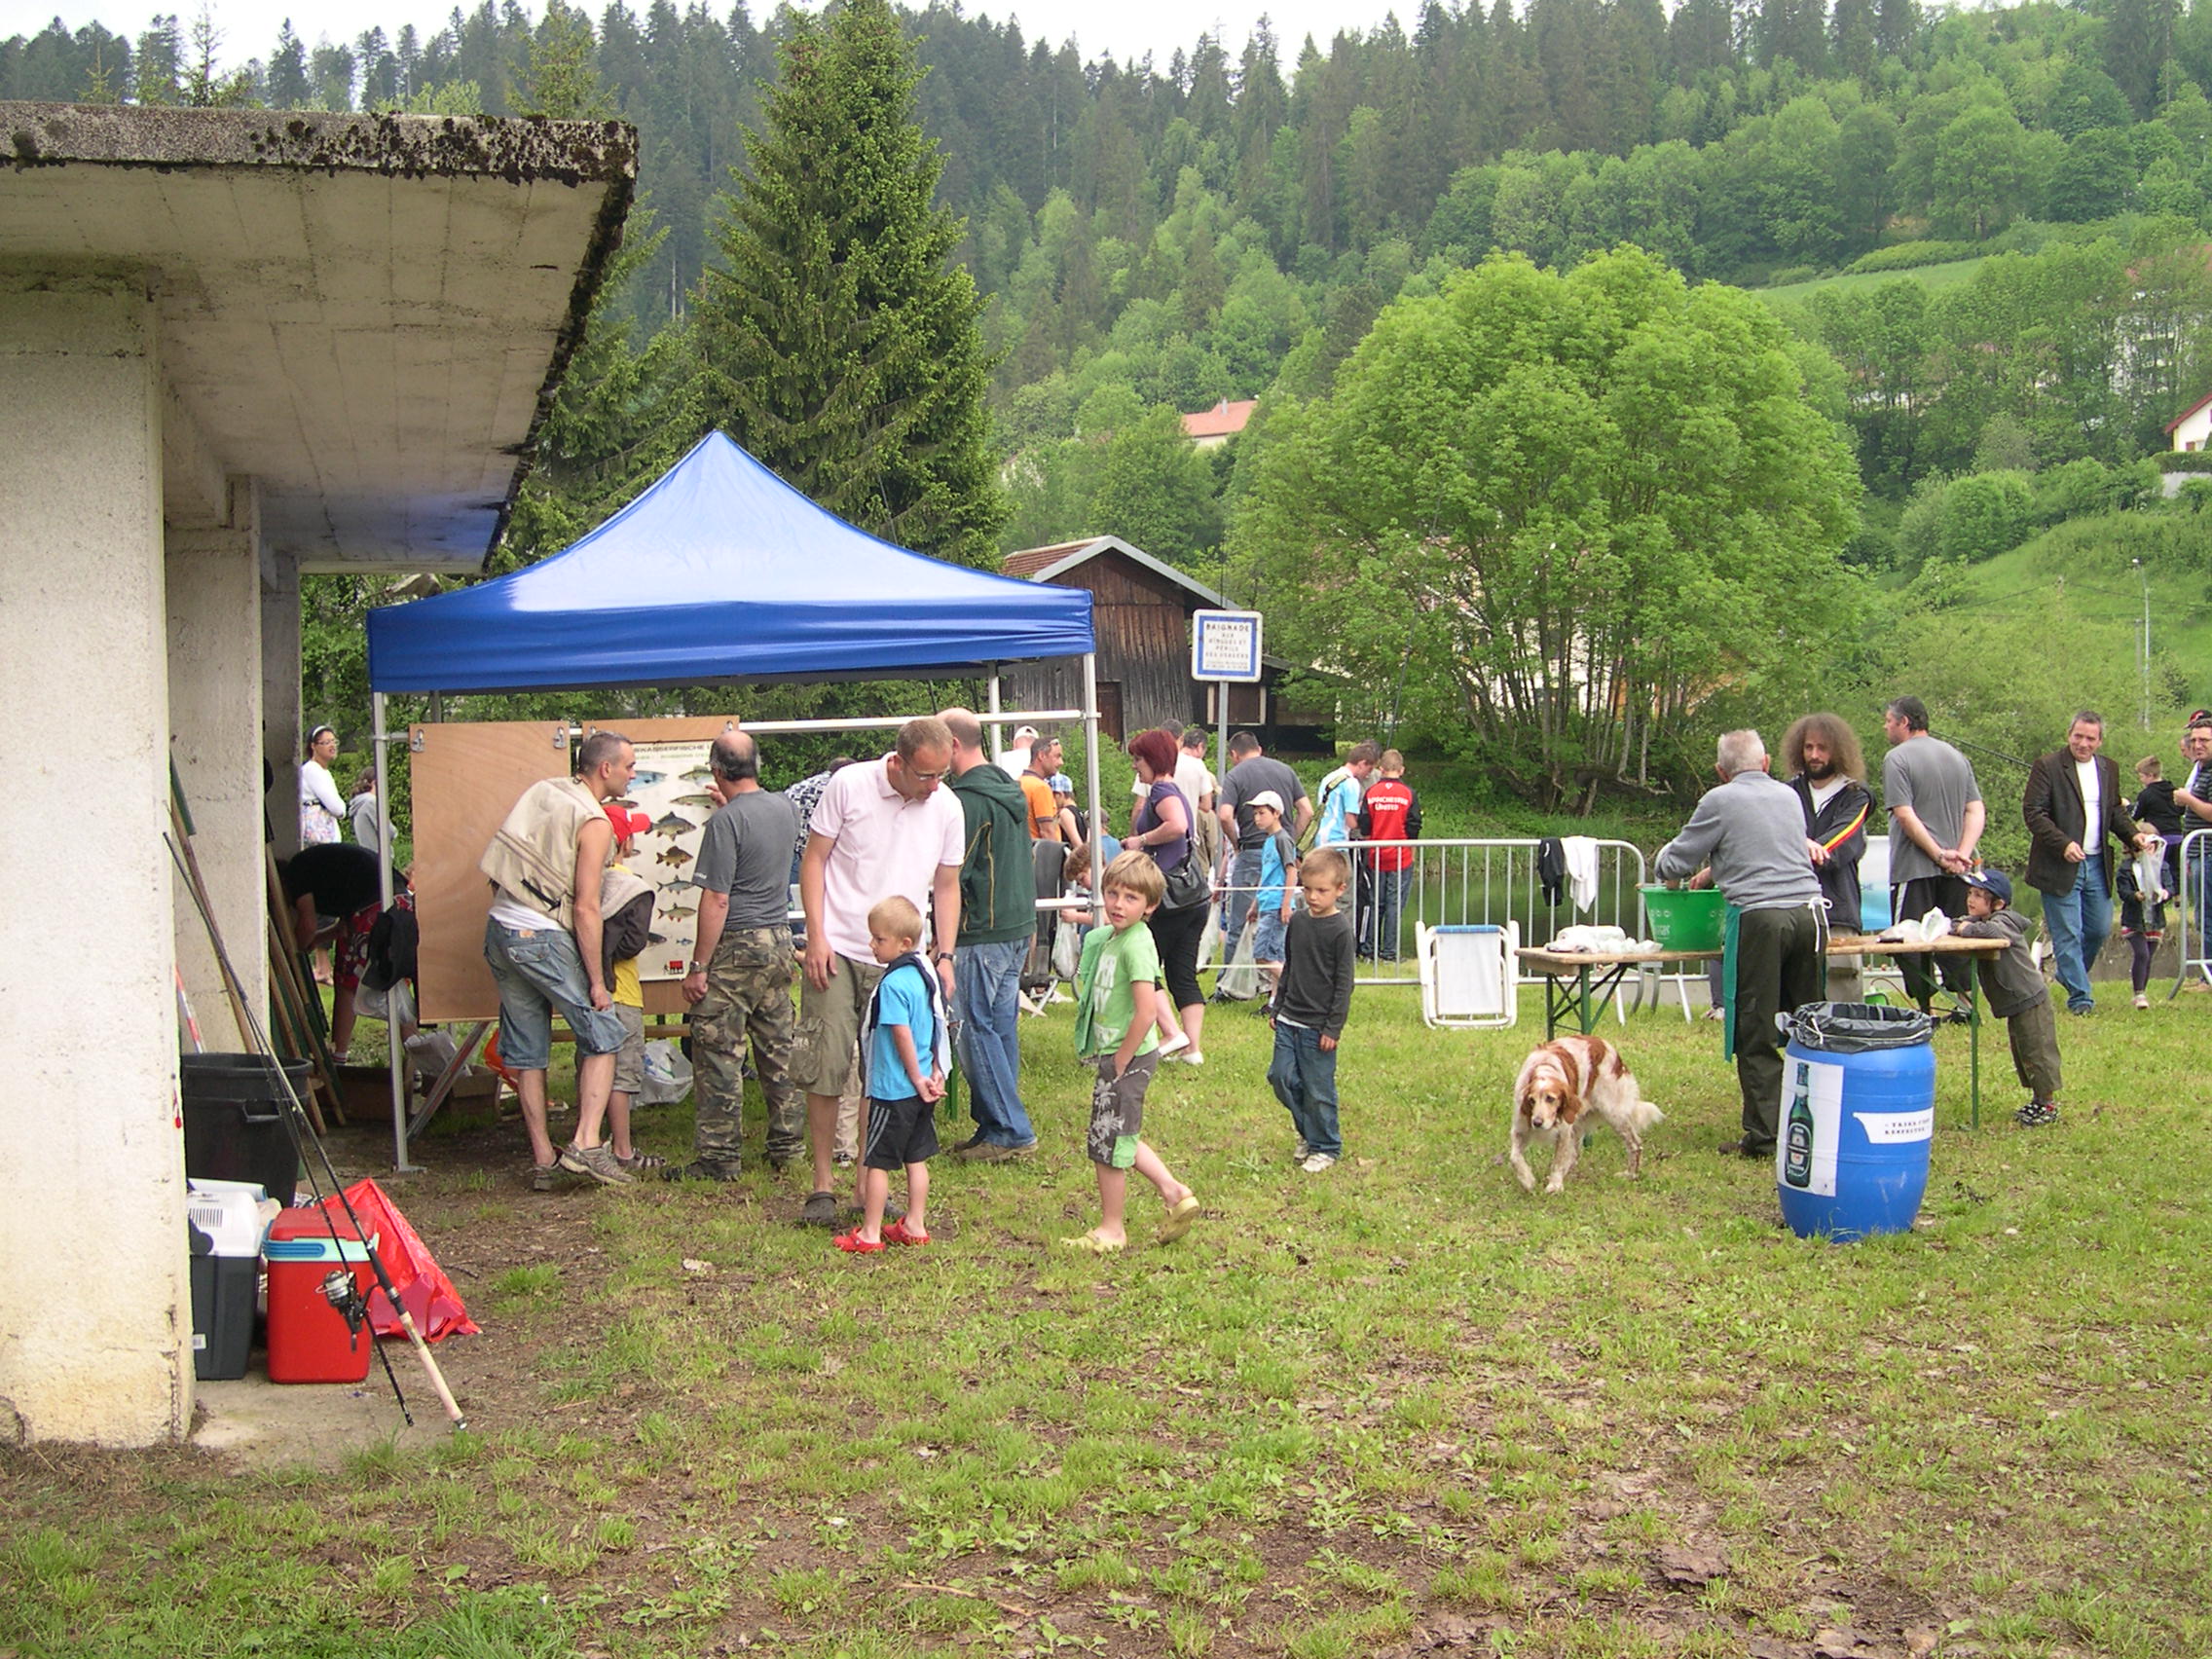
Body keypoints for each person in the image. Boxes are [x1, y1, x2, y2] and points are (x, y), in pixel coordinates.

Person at [796, 718, 965, 1228]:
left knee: (885, 1076)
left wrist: (945, 955)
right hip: (838, 949)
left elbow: (948, 884)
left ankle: (867, 1185)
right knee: (827, 1065)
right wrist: (816, 935)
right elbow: (814, 860)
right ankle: (822, 1185)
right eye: (925, 775)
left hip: (901, 962)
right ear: (897, 761)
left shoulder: (947, 806)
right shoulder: (849, 785)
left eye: (942, 775)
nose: (933, 786)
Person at [1654, 729, 1825, 1160]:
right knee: (1808, 1024)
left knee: (1756, 1028)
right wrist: (1719, 866)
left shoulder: (1719, 800)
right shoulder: (1790, 796)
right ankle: (1817, 1125)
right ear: (1765, 763)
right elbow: (1767, 850)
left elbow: (1676, 861)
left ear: (1720, 771)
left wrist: (1666, 866)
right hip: (1810, 914)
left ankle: (1765, 1138)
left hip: (1761, 918)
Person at [479, 729, 637, 1189]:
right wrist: (597, 983)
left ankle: (544, 1162)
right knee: (605, 1033)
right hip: (541, 936)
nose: (632, 774)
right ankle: (587, 1144)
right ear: (605, 769)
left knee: (528, 1049)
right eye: (629, 766)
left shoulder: (546, 791)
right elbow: (586, 908)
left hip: (501, 928)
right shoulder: (595, 821)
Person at [677, 731, 804, 1181]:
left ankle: (719, 1156)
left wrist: (699, 967)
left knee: (718, 1051)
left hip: (736, 946)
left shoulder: (725, 824)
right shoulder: (785, 808)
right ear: (756, 765)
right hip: (779, 940)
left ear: (716, 771)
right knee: (778, 1047)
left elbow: (717, 899)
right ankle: (788, 1146)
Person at [1064, 852, 1202, 1254]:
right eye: (1112, 893)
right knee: (1120, 1134)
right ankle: (1174, 1192)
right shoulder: (1113, 938)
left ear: (1150, 905)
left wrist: (1123, 1057)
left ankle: (1112, 1229)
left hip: (1127, 1057)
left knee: (1106, 1145)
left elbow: (1147, 1011)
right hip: (1117, 1054)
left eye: (1131, 897)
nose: (1118, 904)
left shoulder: (1138, 945)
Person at [940, 707, 1040, 1163]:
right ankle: (995, 1125)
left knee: (975, 1029)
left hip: (981, 929)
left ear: (952, 745)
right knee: (999, 1030)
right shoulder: (1007, 786)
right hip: (1016, 925)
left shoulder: (967, 800)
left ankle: (1010, 1129)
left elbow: (953, 873)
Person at [2022, 710, 2160, 1017]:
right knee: (2067, 932)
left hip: (2097, 862)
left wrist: (2135, 836)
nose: (2083, 743)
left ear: (2099, 741)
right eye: (2078, 736)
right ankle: (2081, 999)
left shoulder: (2108, 768)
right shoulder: (2047, 766)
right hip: (2058, 863)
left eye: (2090, 738)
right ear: (2069, 735)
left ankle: (2070, 974)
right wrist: (2063, 844)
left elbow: (2115, 813)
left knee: (2098, 928)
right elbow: (2034, 813)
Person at [834, 897, 945, 1253]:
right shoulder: (923, 978)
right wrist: (933, 1072)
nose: (872, 944)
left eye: (879, 939)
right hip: (922, 1090)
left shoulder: (893, 984)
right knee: (916, 1159)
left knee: (877, 1163)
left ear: (904, 943)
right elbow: (935, 1026)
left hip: (893, 1089)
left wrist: (913, 1075)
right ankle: (915, 1223)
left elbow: (901, 1033)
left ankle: (869, 1232)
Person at [1880, 695, 1984, 1016]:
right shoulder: (1957, 756)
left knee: (1907, 940)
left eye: (1888, 721)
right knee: (1955, 937)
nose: (1885, 727)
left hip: (1914, 868)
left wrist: (1939, 855)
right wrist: (1962, 854)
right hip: (1958, 871)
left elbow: (1904, 814)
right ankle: (1965, 1005)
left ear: (1904, 722)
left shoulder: (1896, 759)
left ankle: (1925, 1011)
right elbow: (1975, 809)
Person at [1268, 846, 1357, 1173]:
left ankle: (1326, 1146)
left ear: (1339, 890)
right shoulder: (1299, 922)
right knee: (1280, 1076)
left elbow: (1344, 984)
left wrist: (1333, 1027)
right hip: (1289, 1017)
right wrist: (1277, 1007)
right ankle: (1308, 1131)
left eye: (1321, 890)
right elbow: (1290, 966)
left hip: (1318, 1027)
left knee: (1319, 1088)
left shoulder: (1341, 930)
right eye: (1307, 889)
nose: (1313, 897)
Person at [276, 841, 405, 1060]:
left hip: (375, 906)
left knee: (347, 981)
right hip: (400, 901)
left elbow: (307, 925)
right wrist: (315, 941)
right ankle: (418, 1055)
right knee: (396, 983)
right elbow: (343, 929)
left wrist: (292, 952)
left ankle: (338, 1055)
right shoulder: (331, 875)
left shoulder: (296, 874)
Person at [1953, 870, 2062, 1127]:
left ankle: (2048, 1104)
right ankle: (2038, 1099)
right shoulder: (1982, 919)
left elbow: (1992, 932)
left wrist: (1966, 928)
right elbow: (1959, 922)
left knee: (2037, 1051)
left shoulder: (2005, 921)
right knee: (2022, 1051)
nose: (1971, 899)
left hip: (2030, 997)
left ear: (1998, 903)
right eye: (1970, 893)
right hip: (2015, 1002)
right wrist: (1961, 924)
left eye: (1979, 895)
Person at [1127, 726, 1208, 1066]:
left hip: (1168, 898)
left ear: (1153, 759)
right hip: (1193, 897)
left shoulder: (1160, 790)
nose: (1135, 766)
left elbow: (1176, 826)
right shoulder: (1173, 789)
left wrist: (1141, 841)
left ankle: (1172, 1033)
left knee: (1145, 968)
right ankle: (1192, 1049)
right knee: (1182, 973)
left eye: (1138, 759)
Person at [1782, 713, 1873, 1001]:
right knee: (1796, 991)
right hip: (1793, 908)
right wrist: (1801, 846)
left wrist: (1803, 848)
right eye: (1809, 747)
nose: (1814, 755)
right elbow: (1772, 836)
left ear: (1839, 750)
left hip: (1838, 909)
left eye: (1822, 748)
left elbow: (1841, 841)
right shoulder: (1786, 793)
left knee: (1842, 989)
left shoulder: (1856, 795)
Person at [597, 806, 664, 1176]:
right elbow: (632, 944)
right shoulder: (631, 887)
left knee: (593, 1065)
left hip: (589, 993)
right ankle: (622, 1150)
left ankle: (592, 1141)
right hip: (621, 991)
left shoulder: (583, 883)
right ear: (625, 843)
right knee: (622, 1074)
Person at [1216, 731, 1311, 974]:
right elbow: (1307, 810)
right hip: (1281, 857)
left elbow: (1225, 815)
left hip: (1250, 853)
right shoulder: (1285, 770)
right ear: (1259, 749)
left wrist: (1236, 844)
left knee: (1239, 925)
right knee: (1277, 924)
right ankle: (1273, 983)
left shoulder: (1235, 775)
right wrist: (1288, 841)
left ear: (1234, 754)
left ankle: (1229, 982)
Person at [1354, 750, 1421, 961]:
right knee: (1395, 904)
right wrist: (1411, 848)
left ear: (1381, 769)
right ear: (1402, 770)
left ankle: (1370, 949)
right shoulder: (1408, 794)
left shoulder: (1372, 792)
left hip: (1376, 855)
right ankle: (1390, 951)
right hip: (1401, 856)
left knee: (1376, 903)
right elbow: (1414, 825)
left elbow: (1365, 824)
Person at [1244, 792, 1300, 997]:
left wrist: (1286, 903)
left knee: (1263, 955)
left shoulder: (1283, 839)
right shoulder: (1269, 840)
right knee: (1277, 955)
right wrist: (1255, 904)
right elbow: (1266, 875)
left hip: (1277, 904)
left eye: (1262, 813)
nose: (1257, 818)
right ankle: (1275, 1002)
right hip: (1267, 902)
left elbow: (1291, 871)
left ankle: (1296, 989)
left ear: (1276, 813)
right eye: (1255, 814)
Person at [2168, 716, 2212, 956]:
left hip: (2209, 853)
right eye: (2194, 740)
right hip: (2198, 853)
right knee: (2203, 915)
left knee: (2208, 917)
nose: (2197, 745)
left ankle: (2208, 970)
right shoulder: (2201, 770)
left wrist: (2189, 800)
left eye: (2204, 740)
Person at [1314, 741, 1381, 847]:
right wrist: (1367, 825)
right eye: (1369, 769)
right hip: (1337, 839)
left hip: (1321, 837)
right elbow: (1350, 821)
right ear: (1362, 764)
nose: (1368, 774)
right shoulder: (1351, 783)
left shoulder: (1329, 777)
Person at [299, 723, 343, 846]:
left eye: (334, 741)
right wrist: (342, 809)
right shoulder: (312, 770)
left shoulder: (322, 771)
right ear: (313, 746)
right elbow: (337, 808)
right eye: (326, 742)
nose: (332, 746)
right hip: (320, 840)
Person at [1020, 733, 1063, 841]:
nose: (1061, 763)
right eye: (1057, 756)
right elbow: (1047, 832)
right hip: (1040, 850)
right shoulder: (1040, 788)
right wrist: (1055, 851)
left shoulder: (1018, 782)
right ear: (1041, 756)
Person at [345, 767, 381, 850]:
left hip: (364, 850)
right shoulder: (371, 802)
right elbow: (388, 831)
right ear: (374, 783)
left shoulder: (357, 803)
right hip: (377, 852)